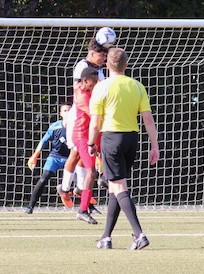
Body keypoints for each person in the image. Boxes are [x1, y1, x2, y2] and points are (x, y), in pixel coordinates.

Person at [88, 47, 159, 250]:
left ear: (106, 65)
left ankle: (139, 234)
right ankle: (106, 237)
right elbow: (148, 120)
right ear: (126, 65)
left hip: (111, 139)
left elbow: (95, 123)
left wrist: (91, 143)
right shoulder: (137, 86)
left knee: (119, 187)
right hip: (131, 139)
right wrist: (154, 146)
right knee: (114, 187)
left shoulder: (101, 87)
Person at [59, 38, 109, 206]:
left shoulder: (99, 69)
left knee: (86, 153)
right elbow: (79, 92)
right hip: (79, 116)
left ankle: (81, 189)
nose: (103, 59)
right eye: (102, 56)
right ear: (92, 53)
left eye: (105, 56)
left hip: (91, 115)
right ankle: (64, 188)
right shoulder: (82, 66)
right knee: (76, 152)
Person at [24, 103, 72, 214]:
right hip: (55, 157)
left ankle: (89, 207)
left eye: (70, 110)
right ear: (60, 114)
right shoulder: (55, 127)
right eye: (65, 111)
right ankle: (30, 206)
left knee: (81, 180)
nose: (67, 113)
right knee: (43, 178)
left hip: (70, 159)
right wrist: (35, 155)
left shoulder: (77, 127)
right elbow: (44, 141)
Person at [71, 67, 101, 224]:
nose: (96, 85)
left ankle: (104, 177)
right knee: (91, 172)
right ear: (85, 81)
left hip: (92, 133)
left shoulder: (86, 89)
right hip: (82, 136)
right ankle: (82, 209)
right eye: (93, 82)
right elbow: (94, 115)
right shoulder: (82, 96)